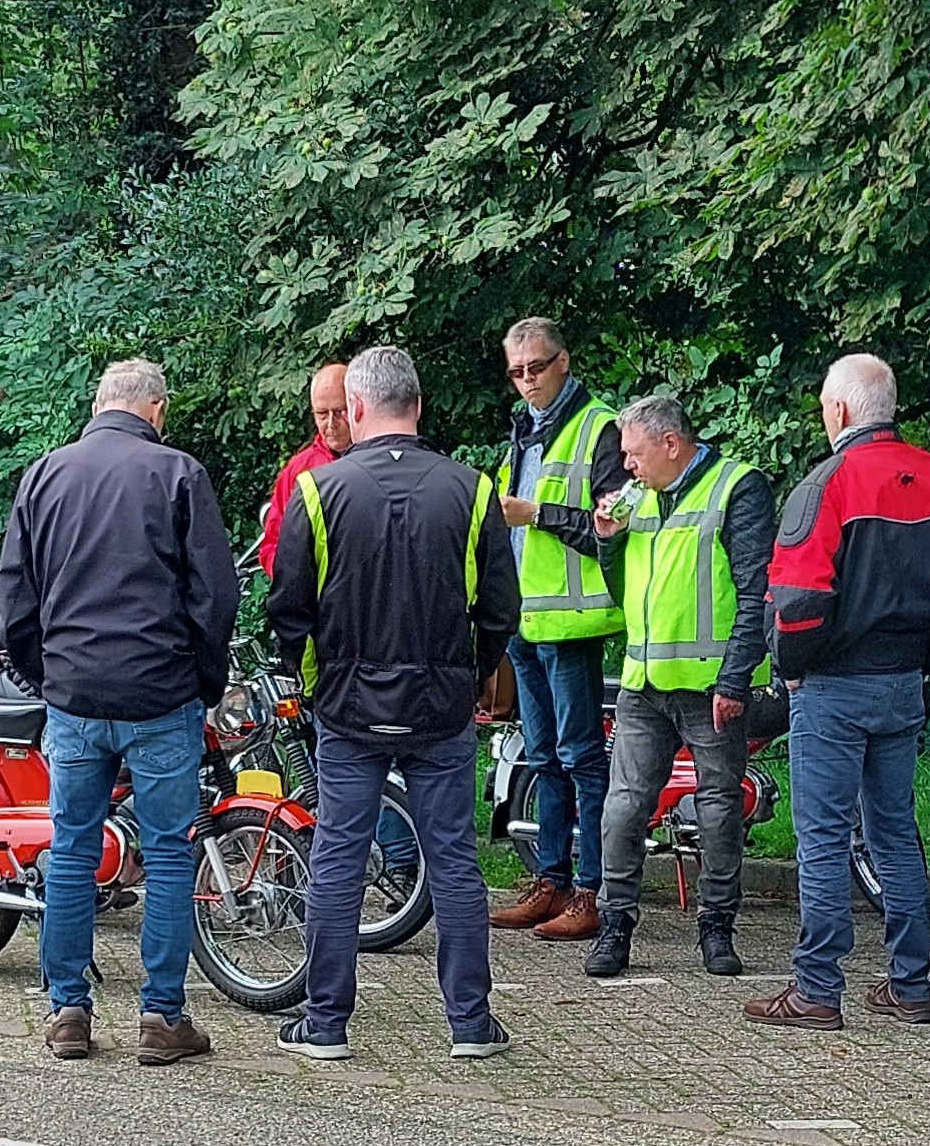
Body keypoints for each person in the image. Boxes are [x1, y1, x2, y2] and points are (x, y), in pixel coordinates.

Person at [266, 344, 521, 1061]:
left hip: (348, 707)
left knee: (339, 858)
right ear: (418, 404)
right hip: (442, 705)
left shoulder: (318, 490)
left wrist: (311, 682)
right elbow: (500, 608)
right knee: (454, 861)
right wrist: (476, 675)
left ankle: (325, 1023)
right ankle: (471, 1024)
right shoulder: (473, 490)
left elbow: (289, 608)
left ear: (354, 408)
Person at [0, 357, 240, 1065]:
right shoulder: (179, 474)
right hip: (160, 694)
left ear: (99, 404)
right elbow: (215, 595)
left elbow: (16, 596)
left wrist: (47, 676)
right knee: (167, 854)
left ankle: (68, 1011)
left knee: (72, 850)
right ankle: (162, 1017)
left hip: (74, 694)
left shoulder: (44, 474)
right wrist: (203, 680)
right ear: (156, 410)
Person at [746, 353, 930, 1032]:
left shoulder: (828, 483)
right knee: (894, 834)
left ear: (841, 410)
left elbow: (796, 601)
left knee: (823, 839)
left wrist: (791, 666)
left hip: (833, 685)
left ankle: (818, 989)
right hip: (902, 683)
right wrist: (925, 663)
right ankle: (911, 985)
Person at [568, 392, 776, 979]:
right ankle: (614, 925)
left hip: (711, 686)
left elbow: (757, 591)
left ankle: (717, 926)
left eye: (633, 454)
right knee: (623, 807)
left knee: (718, 809)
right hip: (644, 683)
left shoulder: (736, 488)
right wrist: (608, 539)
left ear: (671, 443)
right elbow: (622, 588)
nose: (625, 465)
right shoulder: (638, 499)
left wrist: (735, 677)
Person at [490, 317, 629, 943]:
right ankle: (551, 881)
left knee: (581, 759)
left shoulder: (600, 427)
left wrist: (536, 513)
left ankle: (592, 891)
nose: (527, 381)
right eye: (517, 372)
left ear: (563, 362)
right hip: (525, 619)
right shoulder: (524, 429)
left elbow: (612, 526)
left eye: (536, 368)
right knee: (542, 757)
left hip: (572, 623)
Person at [255, 361, 353, 579]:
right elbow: (272, 545)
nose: (331, 423)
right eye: (322, 414)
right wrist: (295, 579)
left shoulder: (379, 458)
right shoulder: (298, 469)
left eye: (340, 412)